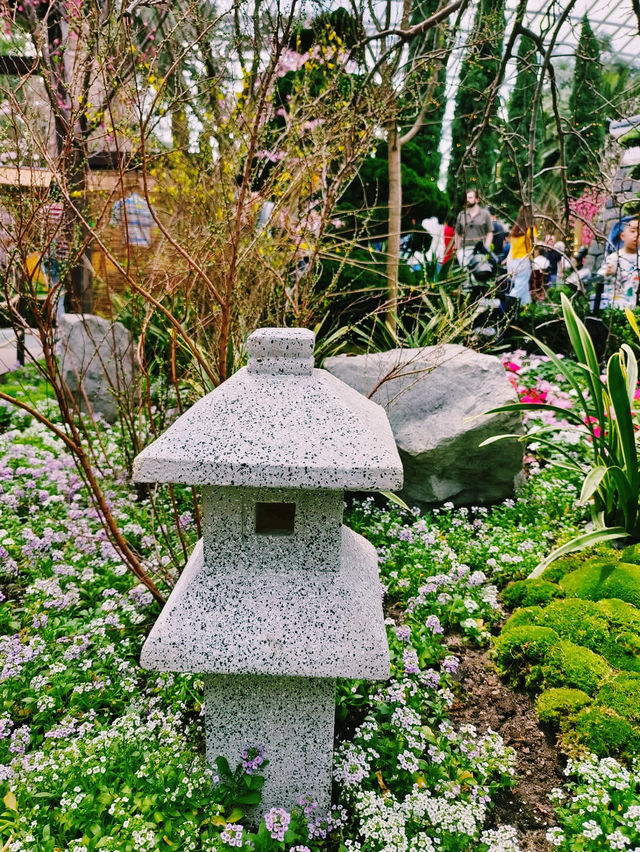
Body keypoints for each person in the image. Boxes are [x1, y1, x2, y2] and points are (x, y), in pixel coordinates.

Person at [596, 218, 639, 309]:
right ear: (622, 236)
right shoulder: (614, 258)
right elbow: (600, 276)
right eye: (633, 231)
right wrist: (607, 273)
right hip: (617, 305)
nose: (636, 235)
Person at [506, 205, 537, 305]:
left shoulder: (515, 230)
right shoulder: (530, 230)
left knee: (524, 290)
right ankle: (505, 309)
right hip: (524, 261)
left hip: (513, 262)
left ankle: (526, 311)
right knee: (518, 289)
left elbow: (511, 249)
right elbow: (535, 245)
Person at [454, 189, 493, 267]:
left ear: (477, 199)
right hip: (464, 250)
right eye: (466, 198)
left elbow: (489, 232)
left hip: (479, 250)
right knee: (466, 274)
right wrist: (458, 250)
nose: (467, 200)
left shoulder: (485, 214)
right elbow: (457, 233)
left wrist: (486, 247)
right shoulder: (461, 215)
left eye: (470, 197)